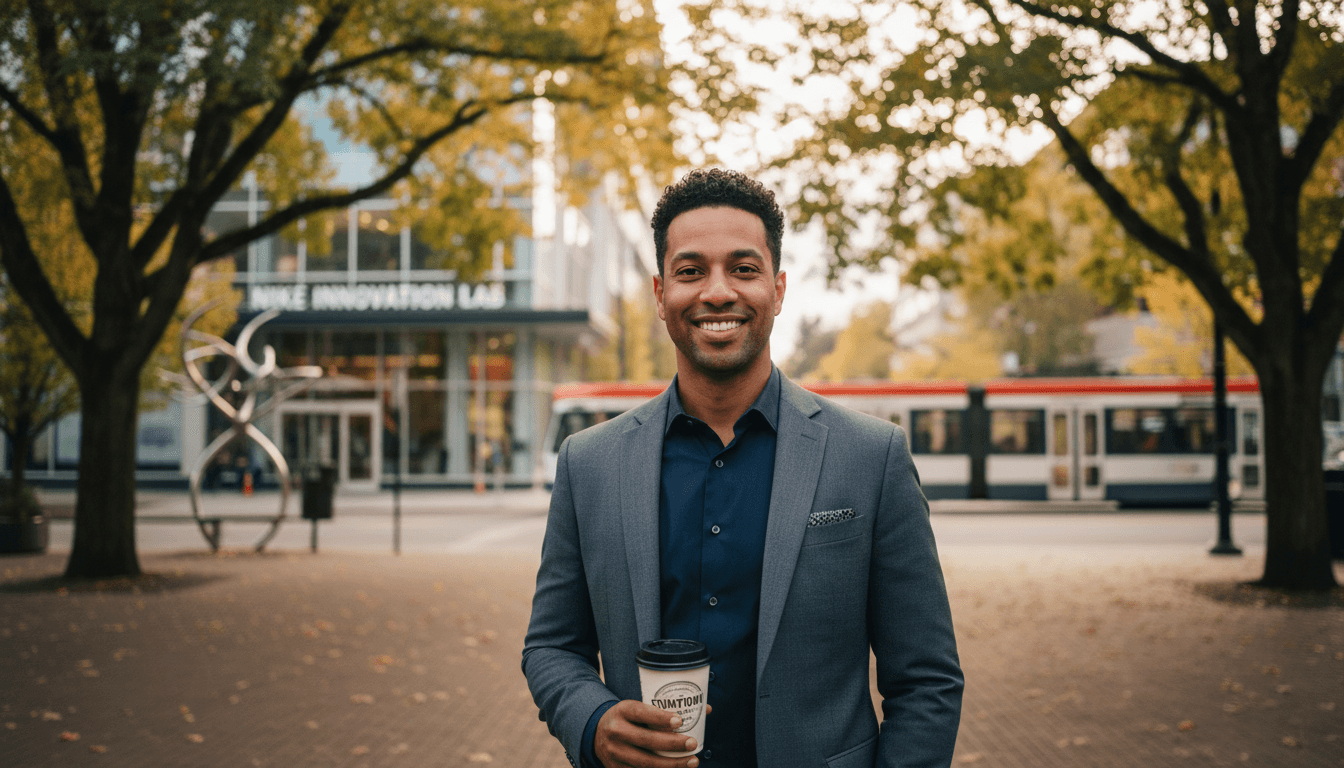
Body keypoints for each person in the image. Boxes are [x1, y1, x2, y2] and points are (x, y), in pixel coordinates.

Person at [523, 169, 963, 768]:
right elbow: (552, 645)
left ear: (778, 290)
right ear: (660, 294)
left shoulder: (871, 456)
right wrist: (592, 721)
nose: (718, 291)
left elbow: (926, 680)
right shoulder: (589, 463)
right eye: (690, 271)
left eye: (744, 268)